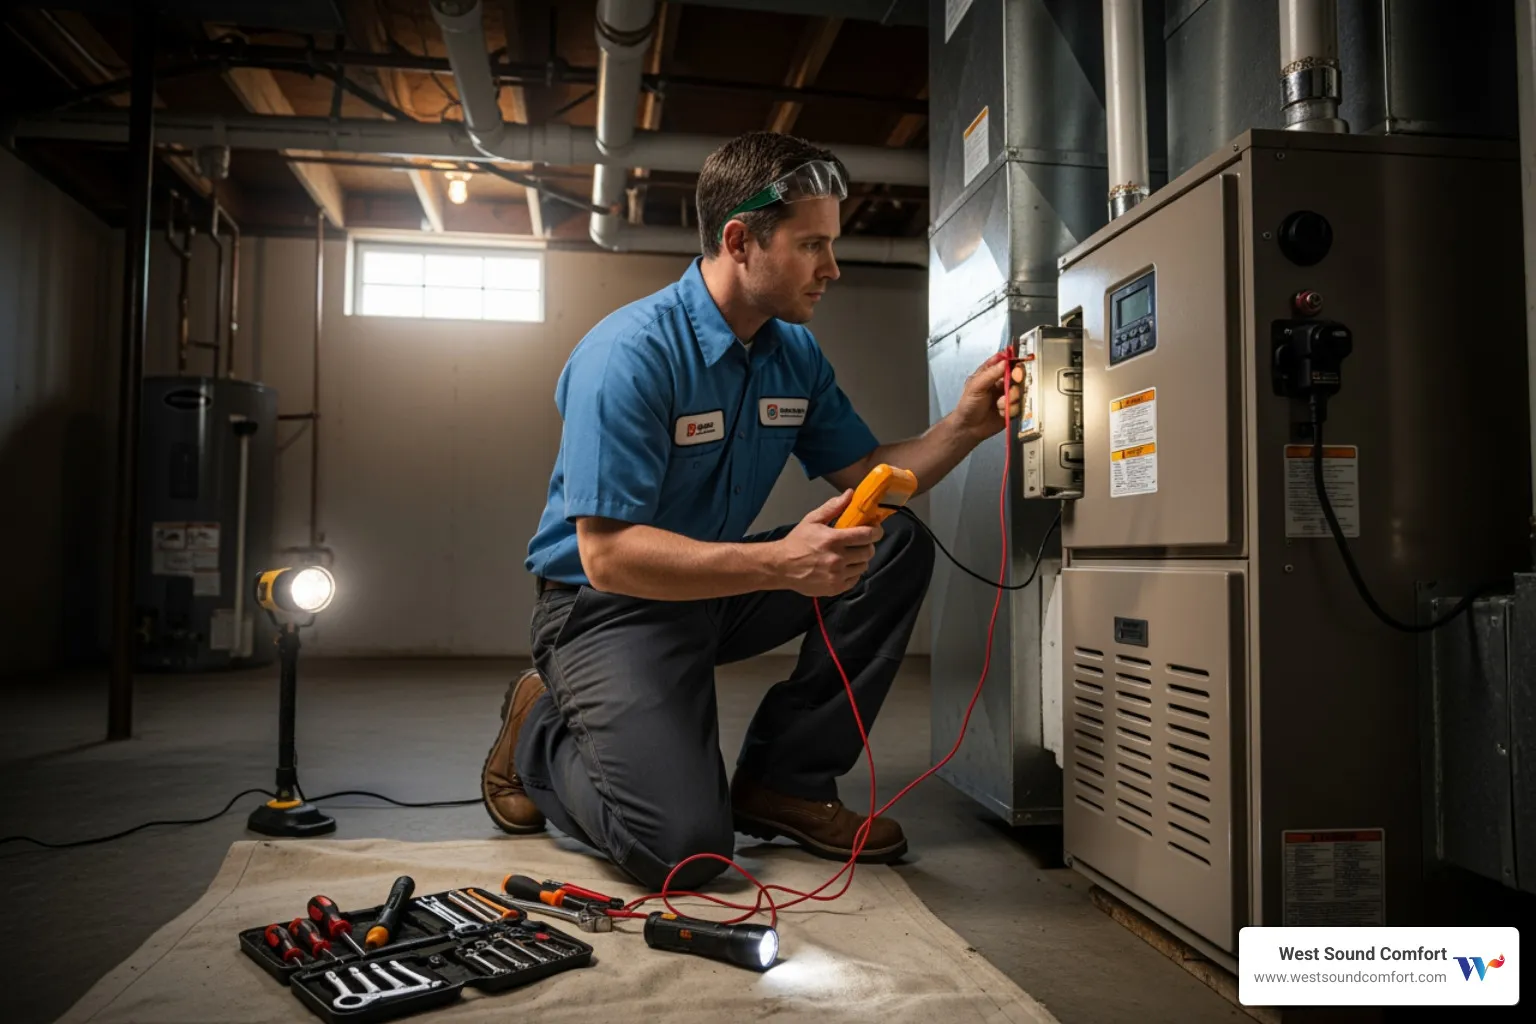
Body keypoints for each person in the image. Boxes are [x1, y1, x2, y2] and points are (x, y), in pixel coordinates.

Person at [481, 131, 1019, 890]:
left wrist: (965, 424)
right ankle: (537, 726)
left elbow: (869, 474)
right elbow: (606, 555)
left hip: (718, 588)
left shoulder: (791, 352)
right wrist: (777, 563)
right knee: (685, 852)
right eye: (811, 245)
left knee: (890, 542)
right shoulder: (629, 354)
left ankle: (786, 782)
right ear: (740, 240)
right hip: (604, 609)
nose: (832, 268)